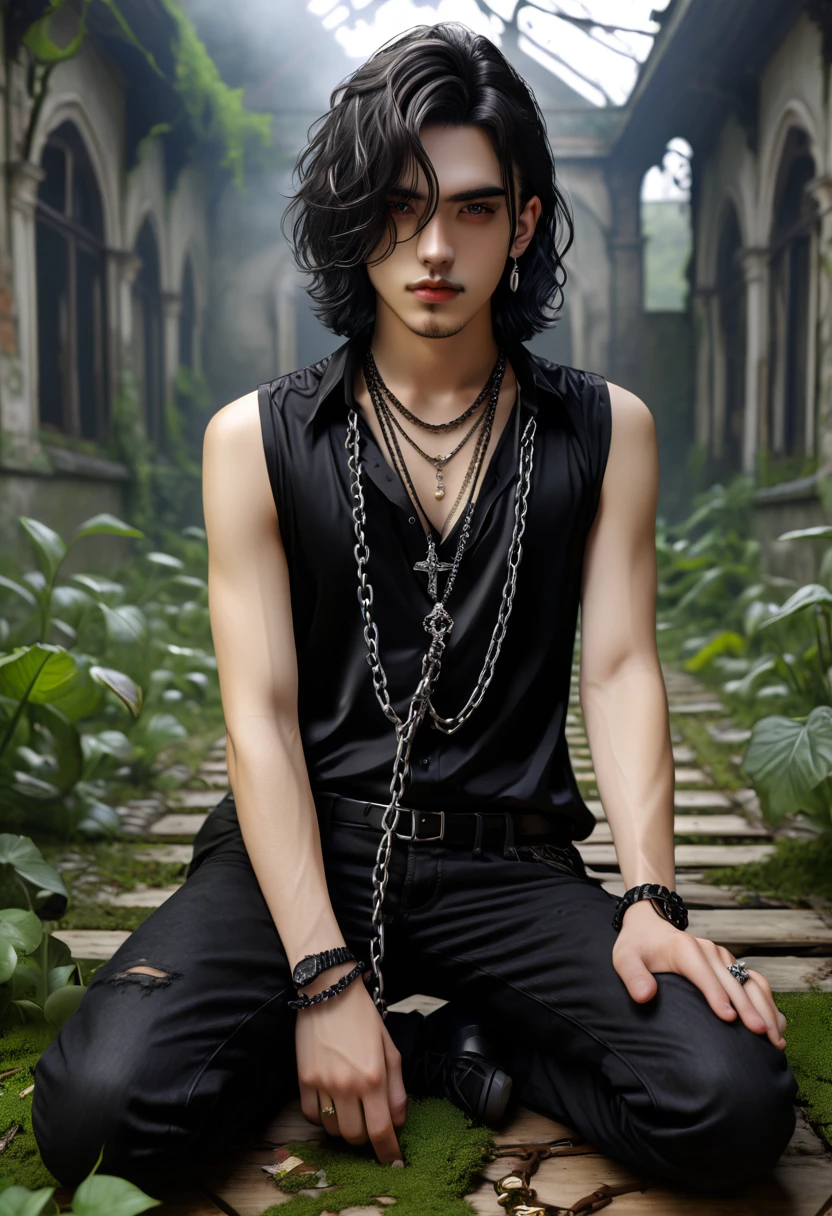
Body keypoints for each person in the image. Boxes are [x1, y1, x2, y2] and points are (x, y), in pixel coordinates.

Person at [33, 21, 797, 1195]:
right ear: (353, 216)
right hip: (301, 851)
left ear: (525, 221)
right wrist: (326, 979)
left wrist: (648, 898)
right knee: (93, 1112)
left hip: (510, 861)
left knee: (735, 1105)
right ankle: (425, 1040)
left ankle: (477, 1029)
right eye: (397, 206)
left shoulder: (608, 430)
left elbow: (622, 669)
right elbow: (262, 717)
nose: (433, 247)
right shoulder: (254, 439)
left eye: (474, 209)